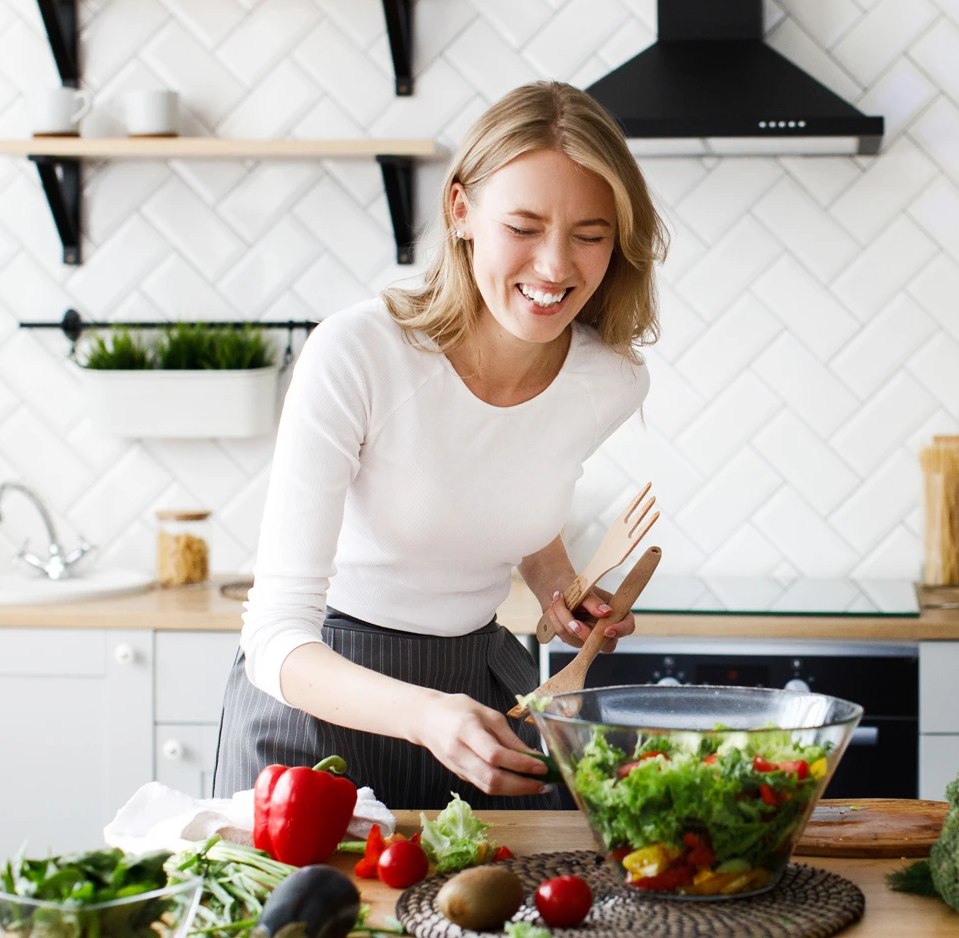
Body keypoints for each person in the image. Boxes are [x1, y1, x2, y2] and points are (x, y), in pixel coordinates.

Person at [213, 81, 667, 807]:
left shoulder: (608, 380)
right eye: (523, 226)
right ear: (461, 211)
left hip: (482, 693)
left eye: (589, 234)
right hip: (321, 706)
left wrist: (560, 589)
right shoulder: (357, 354)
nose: (555, 267)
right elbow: (272, 635)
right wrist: (422, 713)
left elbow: (507, 479)